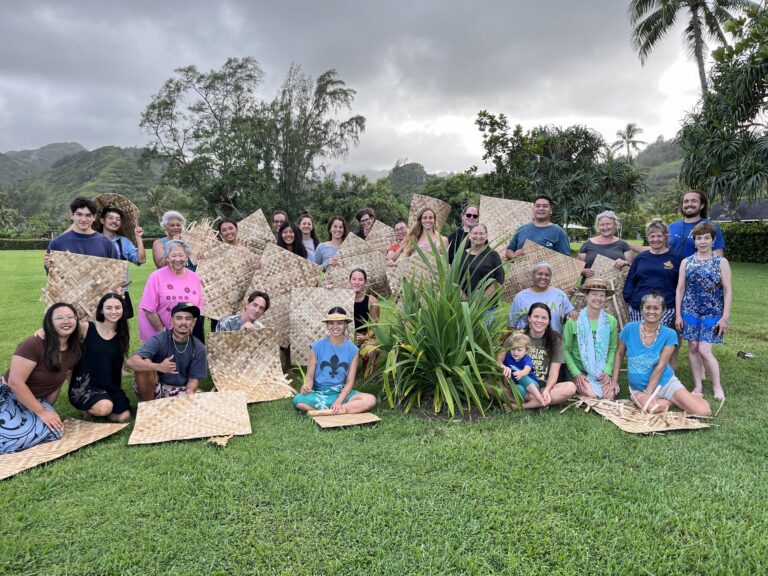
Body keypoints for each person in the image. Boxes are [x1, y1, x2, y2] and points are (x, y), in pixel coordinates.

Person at [0, 303, 83, 454]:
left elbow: (56, 381)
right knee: (14, 433)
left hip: (33, 401)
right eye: (59, 318)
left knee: (54, 430)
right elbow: (14, 382)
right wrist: (42, 412)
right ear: (49, 322)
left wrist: (47, 408)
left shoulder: (74, 349)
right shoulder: (33, 344)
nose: (66, 321)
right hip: (8, 397)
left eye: (71, 317)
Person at [613, 292, 711, 416]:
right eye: (647, 307)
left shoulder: (669, 334)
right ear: (642, 309)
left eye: (656, 308)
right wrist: (613, 381)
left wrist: (649, 393)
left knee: (703, 412)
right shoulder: (629, 328)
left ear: (663, 311)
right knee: (652, 409)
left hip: (665, 382)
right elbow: (619, 354)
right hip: (639, 387)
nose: (651, 312)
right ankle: (670, 402)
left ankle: (695, 397)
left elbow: (660, 366)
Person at [675, 221, 732, 400]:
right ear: (694, 241)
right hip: (689, 311)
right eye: (699, 238)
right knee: (692, 348)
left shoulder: (720, 262)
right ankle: (698, 386)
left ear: (713, 240)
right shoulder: (687, 262)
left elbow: (728, 290)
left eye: (707, 238)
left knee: (705, 350)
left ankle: (717, 386)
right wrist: (678, 314)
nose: (703, 241)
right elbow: (680, 289)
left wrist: (725, 317)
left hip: (713, 312)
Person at [292, 307, 377, 414]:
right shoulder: (316, 347)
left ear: (346, 325)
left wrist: (338, 401)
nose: (335, 327)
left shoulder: (353, 350)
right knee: (298, 401)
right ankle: (341, 411)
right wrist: (306, 387)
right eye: (331, 323)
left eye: (339, 323)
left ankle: (328, 411)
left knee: (370, 399)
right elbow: (309, 377)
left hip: (341, 393)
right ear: (327, 325)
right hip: (319, 393)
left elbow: (350, 381)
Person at [497, 303, 576, 409]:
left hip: (541, 388)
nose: (539, 321)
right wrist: (502, 366)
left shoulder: (556, 340)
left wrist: (547, 390)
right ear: (529, 318)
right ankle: (539, 402)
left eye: (544, 318)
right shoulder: (516, 337)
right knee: (487, 385)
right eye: (536, 316)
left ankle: (521, 406)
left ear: (548, 321)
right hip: (517, 386)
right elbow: (499, 359)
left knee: (570, 387)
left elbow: (554, 373)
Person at [68, 293, 131, 423]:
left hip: (109, 386)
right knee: (104, 408)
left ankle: (103, 406)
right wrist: (43, 331)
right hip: (84, 387)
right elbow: (62, 328)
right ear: (102, 309)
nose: (113, 311)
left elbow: (116, 365)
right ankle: (92, 407)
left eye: (117, 308)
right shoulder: (86, 328)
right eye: (109, 308)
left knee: (124, 417)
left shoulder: (122, 334)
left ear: (123, 309)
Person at [127, 302, 208, 401]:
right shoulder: (160, 339)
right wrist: (159, 367)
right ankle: (149, 405)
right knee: (146, 364)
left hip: (177, 389)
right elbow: (131, 362)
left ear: (193, 322)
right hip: (153, 387)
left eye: (188, 318)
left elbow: (193, 379)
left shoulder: (199, 347)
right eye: (179, 318)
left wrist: (190, 390)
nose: (184, 322)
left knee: (201, 399)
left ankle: (168, 406)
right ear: (172, 321)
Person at [139, 239, 205, 344]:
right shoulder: (156, 277)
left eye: (181, 255)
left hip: (185, 335)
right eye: (173, 255)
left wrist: (188, 331)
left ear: (187, 257)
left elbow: (198, 308)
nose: (177, 259)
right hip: (160, 336)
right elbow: (148, 308)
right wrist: (164, 333)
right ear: (167, 258)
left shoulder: (195, 278)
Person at [562, 279, 619, 399]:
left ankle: (590, 386)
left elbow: (612, 348)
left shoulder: (611, 321)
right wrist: (577, 374)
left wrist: (608, 372)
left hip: (601, 369)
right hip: (579, 368)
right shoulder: (573, 321)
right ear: (586, 296)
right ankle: (577, 385)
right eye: (594, 294)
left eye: (602, 295)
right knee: (592, 395)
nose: (598, 298)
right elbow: (565, 350)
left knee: (609, 395)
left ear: (605, 298)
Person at [98, 206, 146, 319]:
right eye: (110, 218)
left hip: (121, 291)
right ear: (102, 220)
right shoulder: (92, 240)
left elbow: (141, 260)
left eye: (118, 219)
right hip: (97, 291)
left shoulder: (124, 242)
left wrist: (138, 238)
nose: (114, 221)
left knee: (122, 327)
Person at [44, 197, 116, 270]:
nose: (83, 219)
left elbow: (114, 272)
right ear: (72, 215)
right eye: (79, 214)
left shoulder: (107, 243)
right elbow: (53, 274)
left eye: (88, 215)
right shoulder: (57, 243)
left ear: (94, 217)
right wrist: (48, 266)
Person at [508, 262, 575, 334]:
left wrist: (571, 314)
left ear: (550, 277)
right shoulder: (520, 297)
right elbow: (511, 326)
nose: (543, 277)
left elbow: (570, 315)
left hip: (554, 341)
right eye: (540, 274)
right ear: (533, 275)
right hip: (527, 343)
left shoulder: (560, 295)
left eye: (547, 275)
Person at [505, 195, 570, 259]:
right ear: (533, 209)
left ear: (551, 210)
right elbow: (509, 250)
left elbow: (565, 259)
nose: (541, 208)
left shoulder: (559, 232)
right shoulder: (521, 229)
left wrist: (537, 255)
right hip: (522, 269)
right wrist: (515, 257)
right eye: (538, 206)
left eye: (545, 206)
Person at [668, 190, 725, 259]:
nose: (689, 204)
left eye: (694, 201)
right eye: (686, 201)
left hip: (699, 269)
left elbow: (718, 257)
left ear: (702, 205)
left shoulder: (711, 226)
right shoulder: (671, 226)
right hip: (673, 269)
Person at [497, 332, 547, 408]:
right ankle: (530, 399)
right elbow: (504, 368)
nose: (515, 352)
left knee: (520, 375)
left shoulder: (526, 359)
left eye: (519, 350)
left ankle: (539, 397)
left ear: (526, 351)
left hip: (531, 383)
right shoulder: (508, 357)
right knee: (518, 389)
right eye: (513, 349)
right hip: (519, 385)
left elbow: (527, 368)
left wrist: (522, 373)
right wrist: (506, 383)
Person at [577, 210, 632, 277]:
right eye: (602, 225)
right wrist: (583, 271)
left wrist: (625, 263)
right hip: (591, 285)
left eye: (608, 224)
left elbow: (632, 267)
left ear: (615, 225)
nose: (605, 228)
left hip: (617, 286)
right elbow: (577, 268)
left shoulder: (623, 244)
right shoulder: (587, 244)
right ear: (598, 226)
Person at [458, 223, 504, 300]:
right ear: (469, 235)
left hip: (486, 307)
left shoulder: (493, 255)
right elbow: (454, 279)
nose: (478, 236)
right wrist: (465, 300)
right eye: (475, 233)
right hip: (463, 306)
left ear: (486, 236)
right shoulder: (460, 255)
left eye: (481, 233)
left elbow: (499, 280)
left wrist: (480, 300)